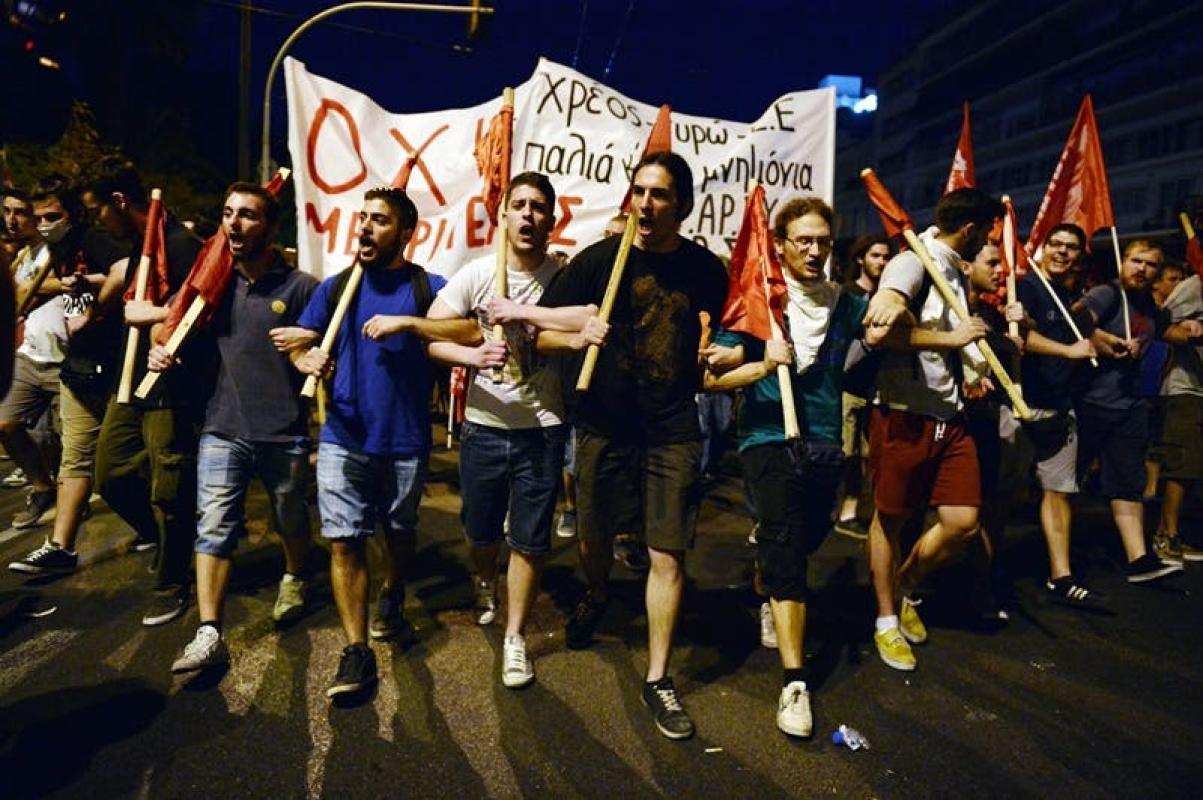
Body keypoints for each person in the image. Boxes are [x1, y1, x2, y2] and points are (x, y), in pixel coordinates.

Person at [538, 151, 727, 740]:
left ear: (682, 205)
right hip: (603, 423)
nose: (646, 203)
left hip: (671, 427)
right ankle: (596, 592)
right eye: (639, 191)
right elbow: (540, 332)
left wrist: (725, 351)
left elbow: (733, 330)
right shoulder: (598, 261)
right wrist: (577, 336)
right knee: (594, 535)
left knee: (667, 552)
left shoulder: (705, 269)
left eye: (659, 194)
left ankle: (658, 677)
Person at [706, 197, 894, 737]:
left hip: (824, 442)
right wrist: (760, 364)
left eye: (823, 242)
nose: (814, 251)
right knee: (790, 550)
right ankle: (794, 683)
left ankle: (769, 575)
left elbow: (887, 322)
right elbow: (712, 379)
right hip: (767, 437)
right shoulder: (758, 302)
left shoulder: (844, 302)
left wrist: (892, 305)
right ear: (781, 246)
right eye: (803, 241)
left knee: (808, 535)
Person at [292, 187, 463, 701]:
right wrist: (304, 358)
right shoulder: (337, 287)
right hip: (343, 436)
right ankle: (356, 649)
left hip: (405, 440)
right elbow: (302, 342)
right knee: (344, 540)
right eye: (362, 218)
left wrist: (411, 322)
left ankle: (394, 587)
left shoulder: (426, 286)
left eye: (380, 220)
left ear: (406, 232)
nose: (365, 227)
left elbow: (471, 330)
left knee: (398, 530)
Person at [157, 183, 318, 672]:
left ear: (270, 227)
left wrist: (310, 349)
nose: (234, 222)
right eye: (228, 212)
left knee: (290, 517)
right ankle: (209, 632)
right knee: (214, 526)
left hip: (283, 430)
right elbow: (170, 322)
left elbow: (326, 341)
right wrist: (161, 347)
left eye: (247, 215)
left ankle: (296, 575)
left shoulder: (300, 287)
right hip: (222, 426)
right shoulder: (213, 281)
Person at [423, 171, 573, 688]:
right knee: (480, 531)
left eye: (539, 207)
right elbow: (433, 336)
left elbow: (588, 322)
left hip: (543, 429)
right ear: (504, 215)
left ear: (552, 219)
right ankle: (485, 577)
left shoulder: (564, 276)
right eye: (520, 205)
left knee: (530, 539)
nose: (528, 214)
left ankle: (515, 637)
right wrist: (470, 355)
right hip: (484, 427)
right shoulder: (477, 273)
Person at [861, 187, 1002, 672]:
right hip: (903, 414)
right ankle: (885, 619)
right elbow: (881, 325)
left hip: (950, 416)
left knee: (962, 522)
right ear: (971, 229)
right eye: (986, 234)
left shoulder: (954, 270)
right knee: (891, 520)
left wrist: (972, 364)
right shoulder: (912, 261)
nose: (986, 243)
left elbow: (951, 341)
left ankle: (904, 585)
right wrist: (898, 308)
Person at [88, 156, 207, 626]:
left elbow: (202, 307)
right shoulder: (142, 244)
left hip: (169, 384)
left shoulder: (180, 244)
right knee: (110, 473)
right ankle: (172, 543)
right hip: (130, 381)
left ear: (119, 201)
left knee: (169, 488)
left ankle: (173, 580)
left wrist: (155, 316)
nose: (98, 219)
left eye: (98, 208)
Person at [6, 175, 123, 575]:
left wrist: (94, 306)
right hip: (72, 364)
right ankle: (60, 547)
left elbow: (123, 271)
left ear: (72, 214)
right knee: (75, 458)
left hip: (105, 367)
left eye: (51, 217)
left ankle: (160, 534)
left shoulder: (92, 241)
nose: (43, 225)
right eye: (38, 217)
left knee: (116, 469)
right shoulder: (51, 250)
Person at [1068, 240, 1190, 585]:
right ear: (1124, 261)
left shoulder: (1149, 307)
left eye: (1151, 265)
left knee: (1127, 483)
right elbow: (1075, 317)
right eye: (1136, 261)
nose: (1142, 269)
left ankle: (1139, 560)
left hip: (1129, 405)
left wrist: (1192, 330)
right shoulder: (1108, 294)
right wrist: (1101, 338)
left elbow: (1166, 331)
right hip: (1090, 401)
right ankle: (1060, 554)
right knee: (1069, 482)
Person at [835, 234, 891, 538]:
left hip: (878, 390)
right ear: (860, 259)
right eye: (875, 255)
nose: (881, 262)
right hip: (848, 387)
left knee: (873, 456)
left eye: (886, 257)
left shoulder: (889, 296)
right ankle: (847, 511)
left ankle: (861, 510)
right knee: (848, 454)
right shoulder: (847, 295)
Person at [1152, 260, 1203, 563]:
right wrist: (1190, 333)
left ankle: (1172, 533)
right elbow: (1159, 324)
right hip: (1186, 389)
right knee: (1181, 465)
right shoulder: (1195, 286)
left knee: (1194, 467)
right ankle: (1165, 537)